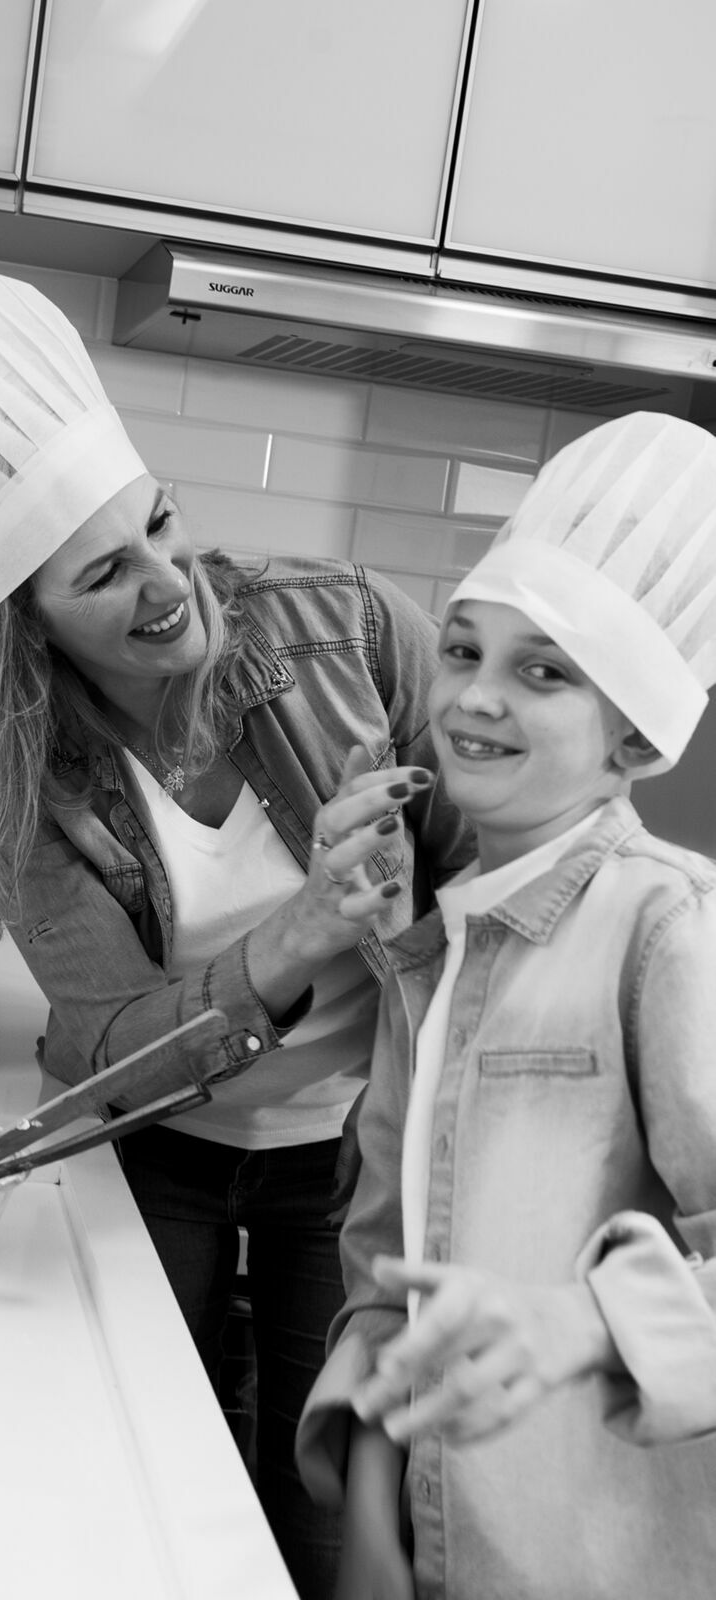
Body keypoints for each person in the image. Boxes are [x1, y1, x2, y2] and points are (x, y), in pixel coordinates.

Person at [0, 272, 474, 1599]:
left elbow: (482, 878)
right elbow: (110, 1048)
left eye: (160, 525)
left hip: (354, 1160)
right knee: (133, 1483)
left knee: (329, 1498)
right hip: (157, 1158)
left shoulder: (349, 628)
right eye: (105, 572)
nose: (168, 582)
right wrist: (300, 932)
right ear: (26, 617)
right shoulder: (2, 775)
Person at [295, 410, 716, 1600]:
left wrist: (585, 1322)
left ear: (633, 734)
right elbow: (387, 1257)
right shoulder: (435, 942)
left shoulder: (667, 929)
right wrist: (373, 1498)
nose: (473, 697)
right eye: (464, 650)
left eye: (542, 671)